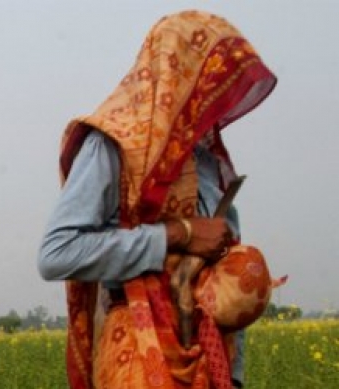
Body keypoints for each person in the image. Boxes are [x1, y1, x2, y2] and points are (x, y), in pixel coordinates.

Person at [37, 10, 277, 389]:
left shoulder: (209, 161)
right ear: (175, 71)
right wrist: (177, 234)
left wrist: (233, 375)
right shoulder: (114, 145)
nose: (212, 94)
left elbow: (221, 275)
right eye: (206, 76)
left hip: (207, 354)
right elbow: (58, 252)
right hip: (137, 345)